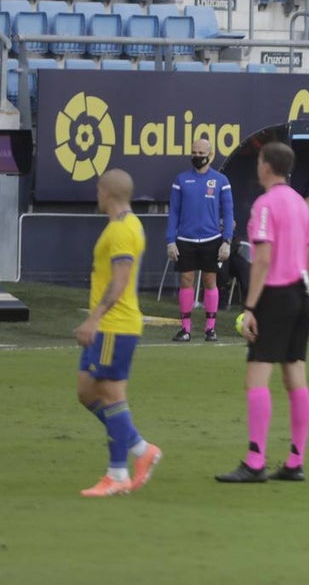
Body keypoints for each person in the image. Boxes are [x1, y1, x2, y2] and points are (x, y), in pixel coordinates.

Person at [216, 142, 309, 483]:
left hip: (274, 294)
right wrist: (305, 290)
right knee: (295, 376)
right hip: (301, 294)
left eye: (259, 161)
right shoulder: (301, 206)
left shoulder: (264, 205)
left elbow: (262, 259)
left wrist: (251, 307)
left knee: (257, 376)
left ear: (266, 166)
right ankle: (295, 461)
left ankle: (255, 461)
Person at [74, 169, 163, 497]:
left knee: (111, 396)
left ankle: (117, 474)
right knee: (86, 392)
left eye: (98, 190)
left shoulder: (123, 230)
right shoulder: (124, 225)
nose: (97, 196)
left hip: (115, 326)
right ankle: (141, 449)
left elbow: (120, 281)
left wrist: (93, 319)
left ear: (106, 193)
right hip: (110, 326)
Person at [167, 137, 234, 343]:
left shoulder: (221, 181)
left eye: (201, 154)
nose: (197, 157)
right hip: (185, 239)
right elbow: (174, 213)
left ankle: (210, 329)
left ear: (210, 155)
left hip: (211, 238)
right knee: (186, 281)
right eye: (194, 153)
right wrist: (171, 240)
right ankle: (185, 329)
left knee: (209, 281)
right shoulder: (180, 180)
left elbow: (229, 213)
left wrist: (227, 240)